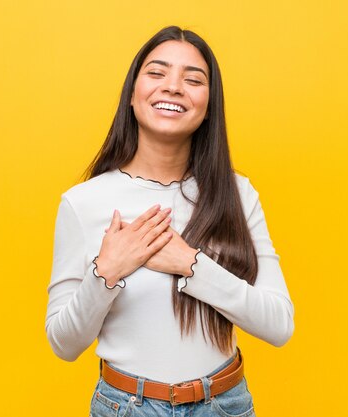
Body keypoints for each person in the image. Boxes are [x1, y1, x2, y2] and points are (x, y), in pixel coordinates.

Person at [45, 25, 294, 417]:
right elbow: (64, 344)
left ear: (209, 104)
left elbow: (279, 325)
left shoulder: (237, 194)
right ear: (132, 94)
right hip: (127, 408)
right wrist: (106, 272)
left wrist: (191, 265)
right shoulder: (84, 202)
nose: (173, 87)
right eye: (157, 73)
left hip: (224, 405)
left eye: (192, 79)